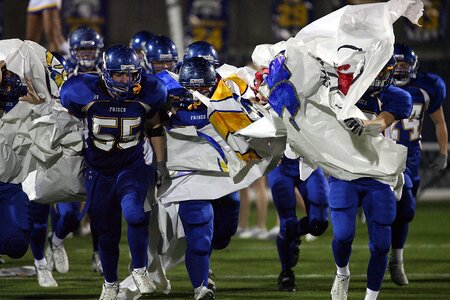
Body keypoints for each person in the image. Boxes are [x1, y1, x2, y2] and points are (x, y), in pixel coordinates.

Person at [60, 45, 168, 299]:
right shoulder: (83, 92)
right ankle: (110, 283)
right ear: (107, 74)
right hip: (98, 171)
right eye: (120, 75)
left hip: (132, 165)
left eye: (130, 75)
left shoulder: (149, 93)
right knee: (106, 231)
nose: (126, 80)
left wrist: (161, 163)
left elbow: (154, 127)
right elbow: (64, 119)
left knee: (134, 214)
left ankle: (139, 269)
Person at [329, 57, 412, 300]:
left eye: (381, 71)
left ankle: (370, 297)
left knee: (381, 244)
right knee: (343, 235)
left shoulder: (397, 95)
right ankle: (342, 273)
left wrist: (367, 123)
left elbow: (383, 120)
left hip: (377, 172)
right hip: (345, 171)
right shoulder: (342, 89)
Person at [169, 57, 242, 300]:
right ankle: (201, 287)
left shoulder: (229, 100)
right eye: (194, 88)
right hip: (188, 176)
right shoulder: (168, 104)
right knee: (199, 234)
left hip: (223, 177)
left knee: (222, 233)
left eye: (204, 88)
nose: (199, 93)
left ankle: (207, 261)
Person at [388, 43, 448, 286]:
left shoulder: (426, 87)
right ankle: (379, 261)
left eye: (404, 65)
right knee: (381, 211)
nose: (400, 70)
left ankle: (397, 259)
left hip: (410, 159)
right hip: (381, 158)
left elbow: (440, 122)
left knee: (406, 211)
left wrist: (443, 152)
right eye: (397, 65)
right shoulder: (377, 85)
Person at [0, 57, 58, 287]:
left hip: (8, 186)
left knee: (16, 246)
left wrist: (40, 106)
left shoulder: (22, 112)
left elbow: (52, 128)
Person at [267, 151, 329, 292]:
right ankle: (286, 273)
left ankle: (295, 233)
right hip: (280, 164)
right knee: (288, 224)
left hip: (309, 162)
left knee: (319, 222)